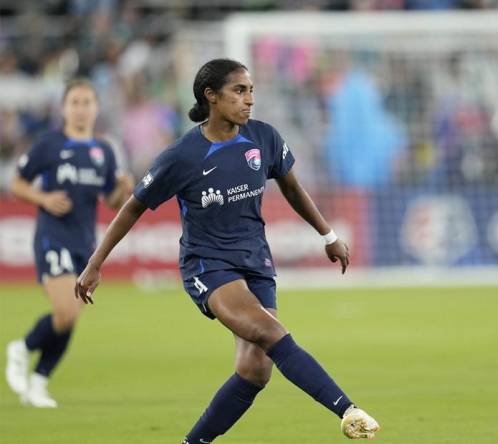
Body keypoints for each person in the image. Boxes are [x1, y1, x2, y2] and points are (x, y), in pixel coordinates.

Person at [74, 59, 380, 442]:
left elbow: (291, 187)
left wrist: (328, 234)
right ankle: (347, 410)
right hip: (208, 265)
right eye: (239, 91)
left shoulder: (264, 137)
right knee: (271, 332)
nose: (249, 100)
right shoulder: (182, 156)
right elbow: (133, 206)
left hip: (256, 262)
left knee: (255, 370)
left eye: (251, 90)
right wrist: (95, 264)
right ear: (212, 97)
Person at [5, 78, 134, 407]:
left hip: (85, 244)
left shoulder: (103, 150)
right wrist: (43, 198)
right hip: (52, 236)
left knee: (71, 316)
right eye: (74, 102)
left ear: (96, 107)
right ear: (63, 108)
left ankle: (39, 381)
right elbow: (16, 182)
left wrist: (124, 188)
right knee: (64, 312)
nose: (80, 109)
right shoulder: (49, 143)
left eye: (86, 102)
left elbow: (112, 201)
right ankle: (21, 348)